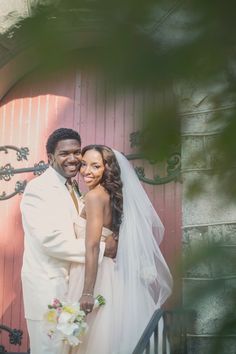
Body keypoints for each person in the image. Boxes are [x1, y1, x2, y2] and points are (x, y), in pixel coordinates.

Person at [64, 145, 173, 354]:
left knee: (100, 337)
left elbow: (93, 245)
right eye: (84, 164)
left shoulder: (95, 196)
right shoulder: (111, 194)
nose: (86, 171)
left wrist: (87, 292)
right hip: (115, 272)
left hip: (96, 275)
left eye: (95, 166)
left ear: (107, 169)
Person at [20, 129, 117, 354]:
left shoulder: (73, 187)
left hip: (72, 288)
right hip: (49, 289)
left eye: (76, 152)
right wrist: (102, 248)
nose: (73, 158)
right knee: (50, 350)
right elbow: (50, 241)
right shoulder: (38, 189)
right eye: (64, 153)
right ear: (50, 157)